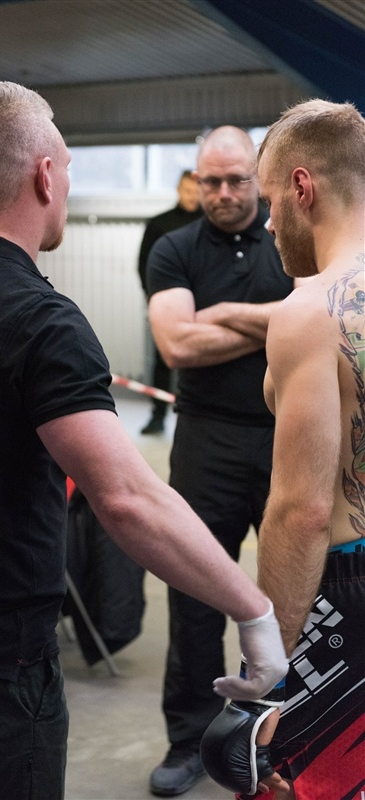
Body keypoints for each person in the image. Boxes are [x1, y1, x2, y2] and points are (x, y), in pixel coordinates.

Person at [0, 81, 288, 800]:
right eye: (68, 168)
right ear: (45, 175)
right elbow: (127, 499)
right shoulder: (39, 321)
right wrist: (252, 610)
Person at [146, 125, 302, 796]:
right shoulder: (173, 248)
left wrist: (227, 313)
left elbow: (320, 321)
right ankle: (190, 740)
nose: (223, 193)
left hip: (287, 437)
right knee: (194, 594)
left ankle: (286, 739)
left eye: (237, 180)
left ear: (259, 178)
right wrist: (277, 321)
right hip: (205, 439)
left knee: (297, 593)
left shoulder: (292, 243)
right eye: (209, 181)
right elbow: (177, 345)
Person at [232, 98, 364, 800]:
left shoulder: (311, 313)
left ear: (302, 187)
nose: (268, 223)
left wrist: (265, 679)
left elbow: (302, 513)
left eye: (269, 201)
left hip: (347, 601)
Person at [138, 170, 202, 434]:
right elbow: (144, 266)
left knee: (203, 361)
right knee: (162, 360)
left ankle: (199, 417)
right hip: (167, 305)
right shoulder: (159, 224)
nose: (192, 196)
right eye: (187, 190)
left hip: (204, 306)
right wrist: (156, 301)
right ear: (178, 190)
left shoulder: (210, 223)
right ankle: (158, 416)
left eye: (196, 191)